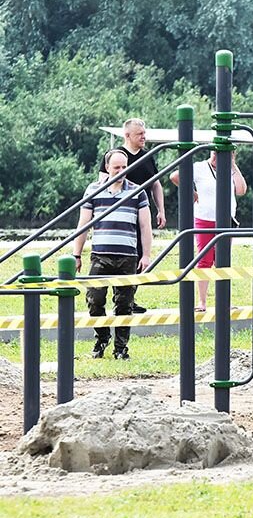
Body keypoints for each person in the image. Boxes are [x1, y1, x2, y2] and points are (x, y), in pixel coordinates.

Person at [73, 149, 152, 360]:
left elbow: (145, 226)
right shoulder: (94, 190)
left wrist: (146, 255)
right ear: (107, 168)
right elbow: (83, 225)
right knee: (95, 299)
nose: (121, 171)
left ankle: (121, 348)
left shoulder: (138, 191)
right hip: (100, 255)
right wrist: (76, 254)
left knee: (124, 304)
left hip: (128, 256)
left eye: (124, 167)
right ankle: (102, 338)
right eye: (116, 167)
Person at [100, 118, 167, 314]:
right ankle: (118, 297)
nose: (144, 137)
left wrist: (161, 210)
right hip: (121, 215)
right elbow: (102, 184)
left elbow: (156, 184)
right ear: (127, 135)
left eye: (145, 133)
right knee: (118, 255)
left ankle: (128, 297)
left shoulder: (148, 156)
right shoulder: (113, 157)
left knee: (139, 254)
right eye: (140, 134)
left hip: (142, 213)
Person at [169, 150, 247, 311]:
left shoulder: (230, 169)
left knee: (222, 260)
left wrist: (233, 165)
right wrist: (192, 193)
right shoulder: (199, 167)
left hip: (226, 220)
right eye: (214, 152)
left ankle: (224, 300)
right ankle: (202, 302)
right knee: (204, 259)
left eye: (221, 153)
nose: (216, 156)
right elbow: (175, 176)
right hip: (205, 218)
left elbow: (241, 190)